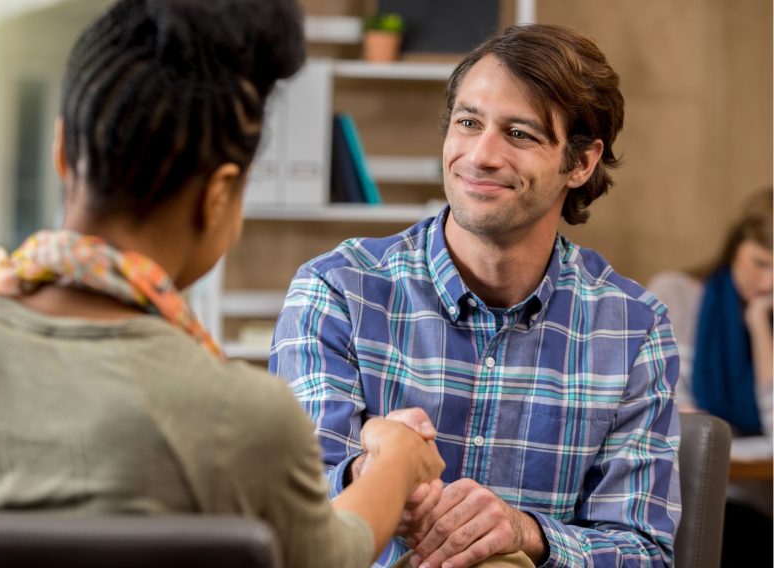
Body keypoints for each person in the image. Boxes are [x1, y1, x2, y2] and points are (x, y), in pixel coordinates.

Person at [0, 2, 446, 567]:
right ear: (218, 194)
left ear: (60, 152)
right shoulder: (240, 418)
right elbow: (328, 559)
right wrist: (394, 463)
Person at [270, 24, 681, 568]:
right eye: (468, 123)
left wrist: (526, 533)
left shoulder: (633, 330)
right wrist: (377, 475)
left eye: (519, 134)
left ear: (580, 164)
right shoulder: (338, 291)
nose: (480, 155)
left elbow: (644, 552)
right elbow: (288, 509)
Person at [647, 187, 773, 568]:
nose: (768, 283)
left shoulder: (766, 317)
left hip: (756, 499)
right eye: (761, 263)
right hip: (686, 491)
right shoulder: (678, 295)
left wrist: (759, 330)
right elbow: (668, 413)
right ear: (736, 247)